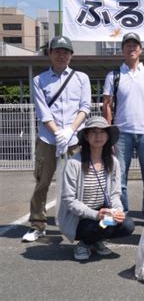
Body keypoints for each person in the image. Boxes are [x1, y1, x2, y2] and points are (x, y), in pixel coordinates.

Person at [22, 36, 91, 242]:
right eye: (57, 51)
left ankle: (77, 223)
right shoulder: (39, 80)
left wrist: (70, 130)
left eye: (66, 52)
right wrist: (57, 133)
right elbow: (43, 112)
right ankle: (38, 224)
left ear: (71, 55)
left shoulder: (81, 78)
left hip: (75, 139)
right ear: (50, 53)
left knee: (78, 182)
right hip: (48, 139)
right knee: (43, 181)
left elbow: (85, 107)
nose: (62, 55)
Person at [102, 32, 144, 219]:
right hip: (121, 134)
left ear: (141, 50)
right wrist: (109, 134)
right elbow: (107, 105)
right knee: (119, 178)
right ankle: (122, 213)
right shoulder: (113, 75)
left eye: (135, 45)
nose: (132, 48)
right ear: (122, 49)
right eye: (128, 45)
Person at [57, 116, 135, 261]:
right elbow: (68, 200)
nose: (98, 136)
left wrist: (117, 211)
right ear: (86, 136)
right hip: (80, 219)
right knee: (97, 225)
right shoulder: (74, 163)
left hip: (102, 214)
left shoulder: (113, 162)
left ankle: (96, 240)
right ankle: (85, 243)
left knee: (127, 225)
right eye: (93, 132)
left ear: (108, 136)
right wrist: (95, 214)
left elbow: (115, 194)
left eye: (102, 132)